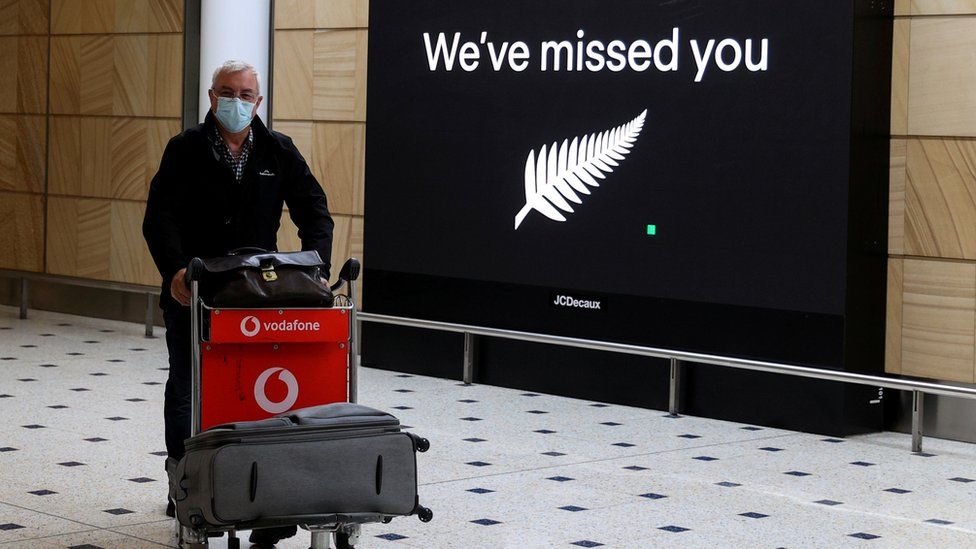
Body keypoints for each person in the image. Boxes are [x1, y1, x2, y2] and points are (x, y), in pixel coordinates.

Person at [142, 60, 334, 546]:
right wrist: (175, 271)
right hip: (197, 290)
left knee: (253, 388)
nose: (236, 101)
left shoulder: (276, 150)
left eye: (245, 94)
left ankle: (259, 489)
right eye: (226, 92)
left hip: (257, 296)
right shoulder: (184, 150)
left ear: (258, 101)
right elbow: (159, 217)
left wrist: (317, 270)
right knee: (189, 385)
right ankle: (184, 480)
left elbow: (315, 211)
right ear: (211, 97)